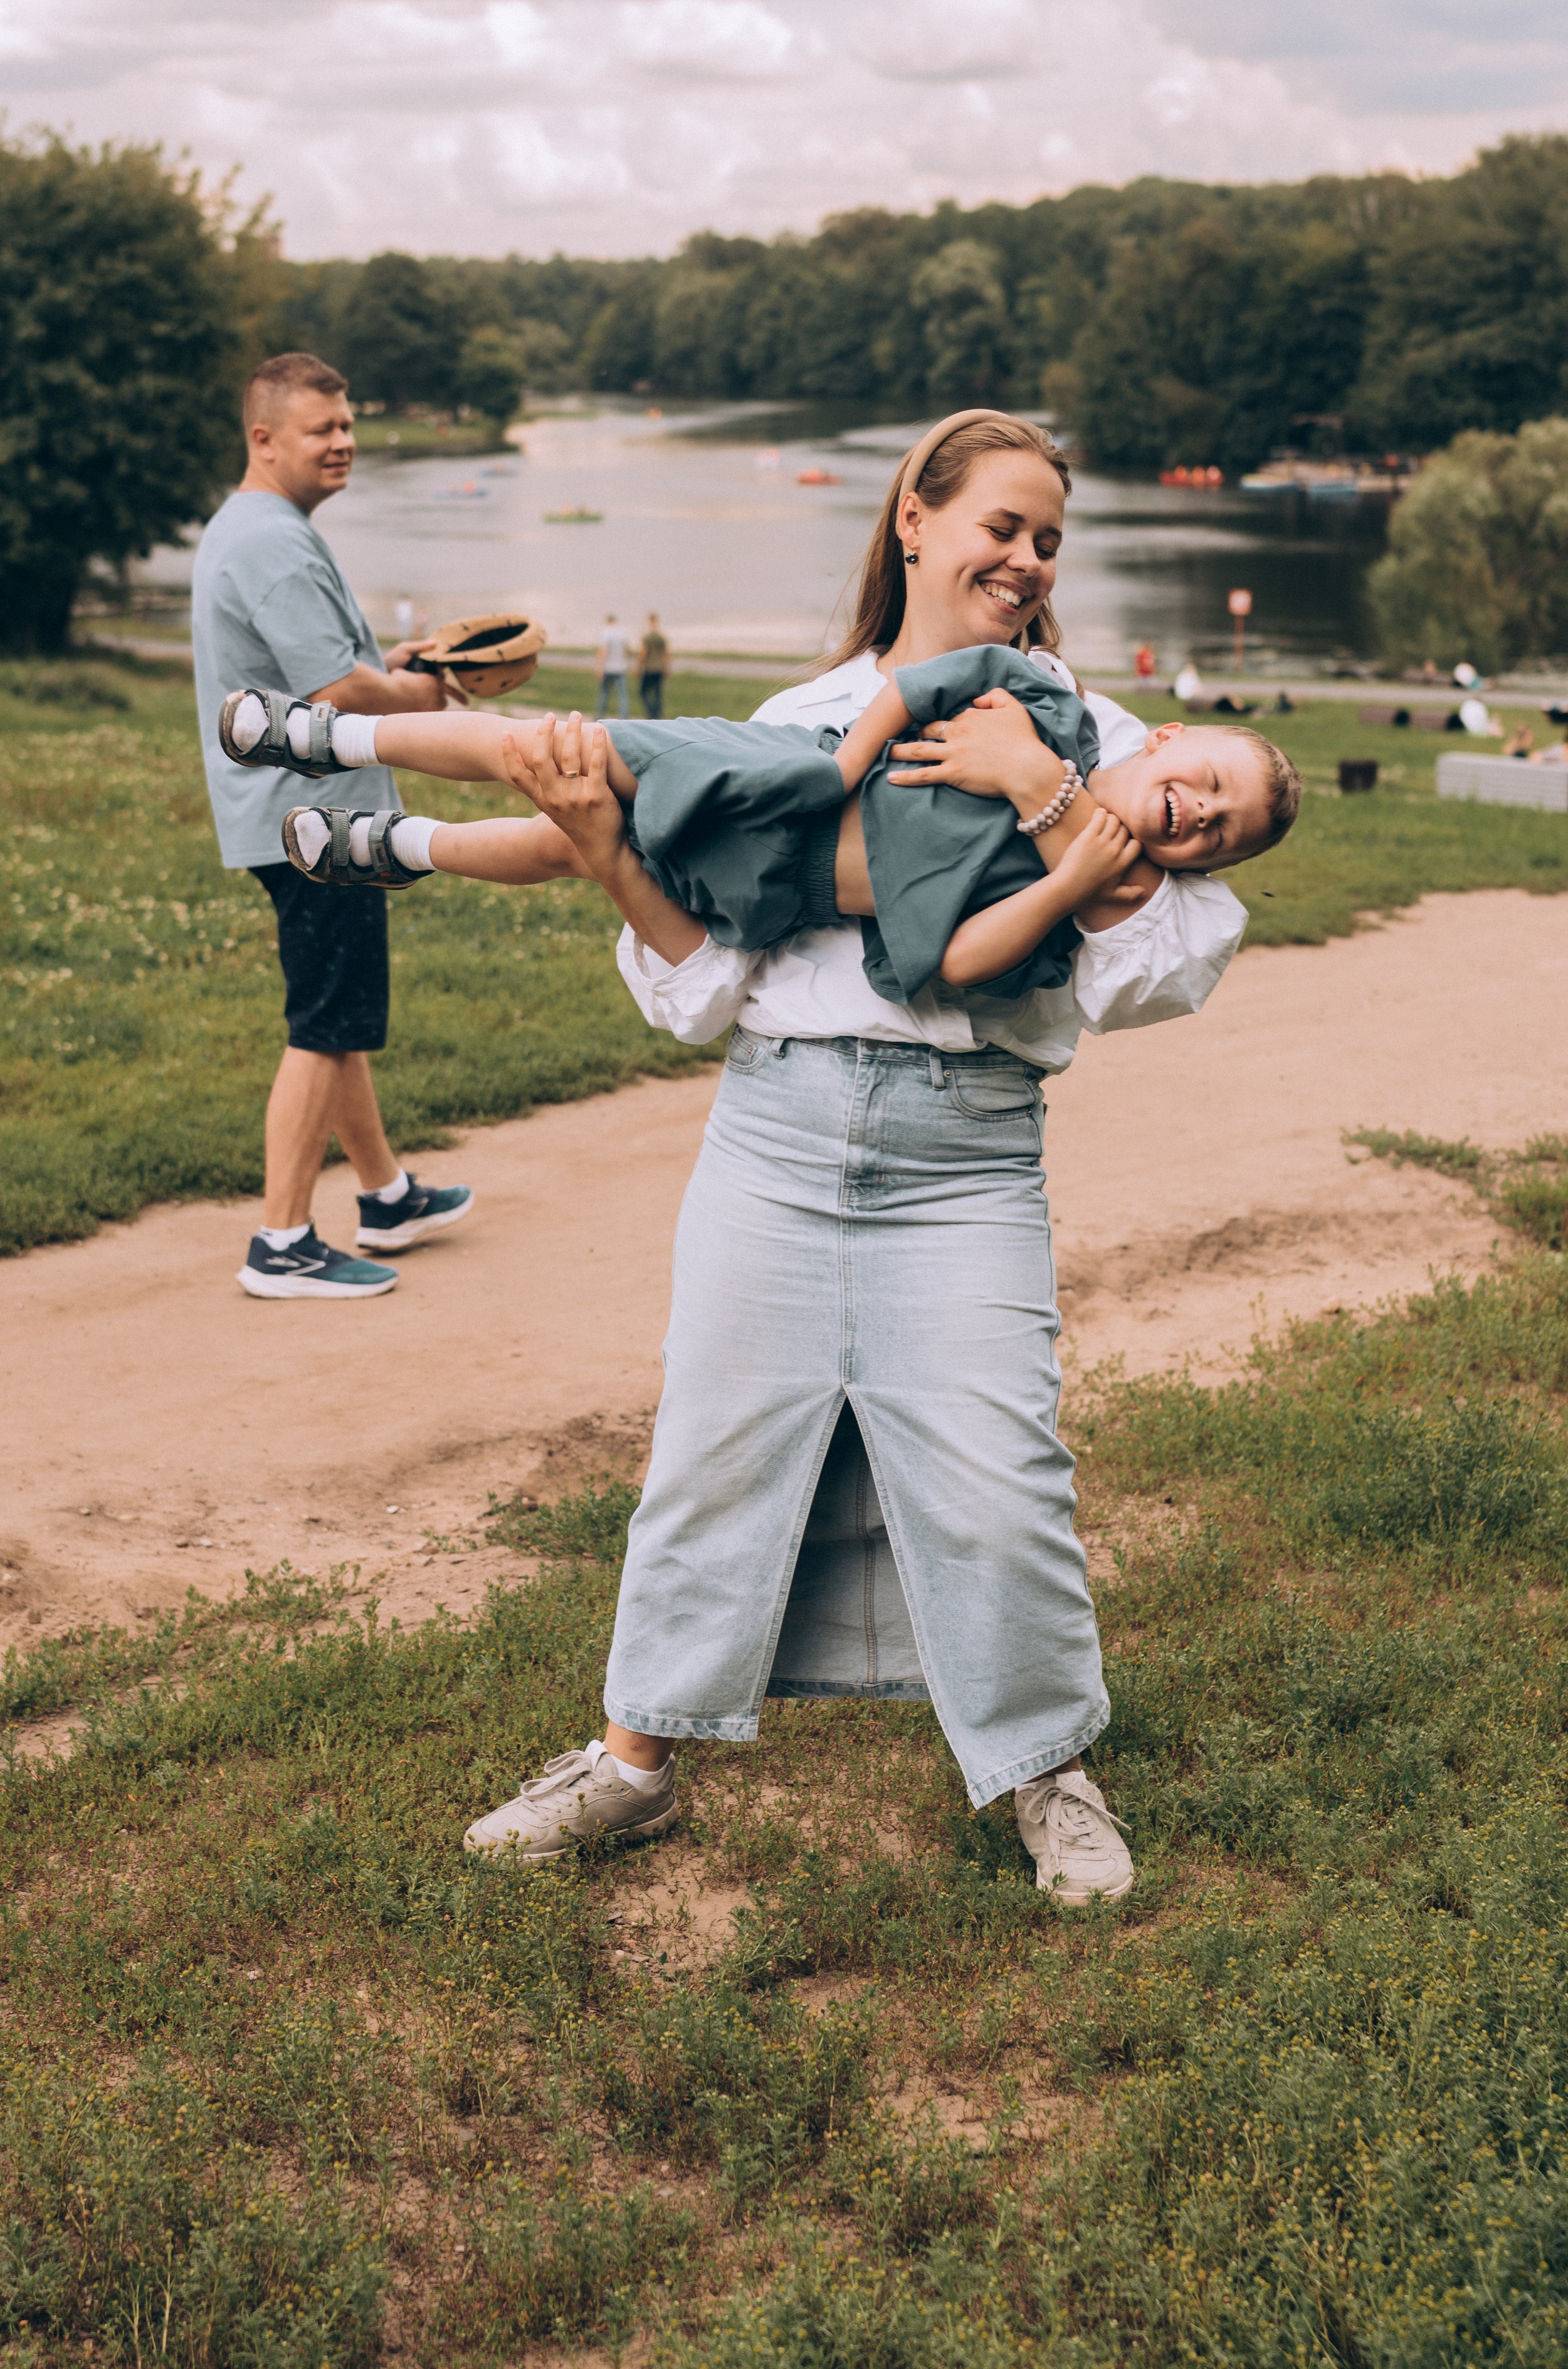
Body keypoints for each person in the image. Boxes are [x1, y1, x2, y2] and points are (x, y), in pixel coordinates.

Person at [297, 411, 1265, 1902]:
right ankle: (631, 1770)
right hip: (779, 1128)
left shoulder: (1109, 742)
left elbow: (1164, 965)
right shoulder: (803, 719)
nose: (1023, 558)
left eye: (1049, 540)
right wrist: (602, 846)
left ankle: (1042, 1770)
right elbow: (699, 987)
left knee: (1000, 1470)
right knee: (710, 1454)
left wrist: (1038, 788)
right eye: (1000, 526)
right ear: (915, 522)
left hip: (963, 1159)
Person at [226, 650, 1293, 1019]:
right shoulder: (1049, 714)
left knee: (571, 844)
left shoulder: (1055, 914)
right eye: (1205, 780)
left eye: (1222, 830)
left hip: (767, 892)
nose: (1199, 811)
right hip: (771, 777)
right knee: (560, 752)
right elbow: (928, 678)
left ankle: (391, 852)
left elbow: (943, 964)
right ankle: (333, 733)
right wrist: (836, 763)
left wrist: (1064, 885)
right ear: (1165, 738)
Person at [191, 351, 476, 1299]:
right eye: (323, 430)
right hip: (315, 823)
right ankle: (280, 1242)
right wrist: (422, 693)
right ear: (263, 439)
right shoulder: (270, 538)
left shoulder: (261, 527)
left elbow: (331, 667)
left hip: (301, 814)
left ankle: (387, 1196)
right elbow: (342, 694)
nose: (344, 442)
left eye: (347, 425)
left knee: (339, 1014)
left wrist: (387, 664)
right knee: (322, 1023)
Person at [596, 615, 632, 719]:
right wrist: (628, 664)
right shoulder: (622, 633)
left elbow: (603, 651)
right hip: (620, 668)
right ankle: (624, 717)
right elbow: (627, 651)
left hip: (608, 668)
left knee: (604, 694)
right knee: (622, 695)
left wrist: (599, 667)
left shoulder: (606, 633)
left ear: (608, 621)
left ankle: (601, 716)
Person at [639, 614, 669, 719]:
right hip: (659, 668)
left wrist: (639, 667)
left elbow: (644, 653)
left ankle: (652, 712)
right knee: (657, 693)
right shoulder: (661, 637)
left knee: (643, 692)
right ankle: (657, 714)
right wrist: (666, 668)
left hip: (650, 668)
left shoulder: (648, 637)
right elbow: (666, 653)